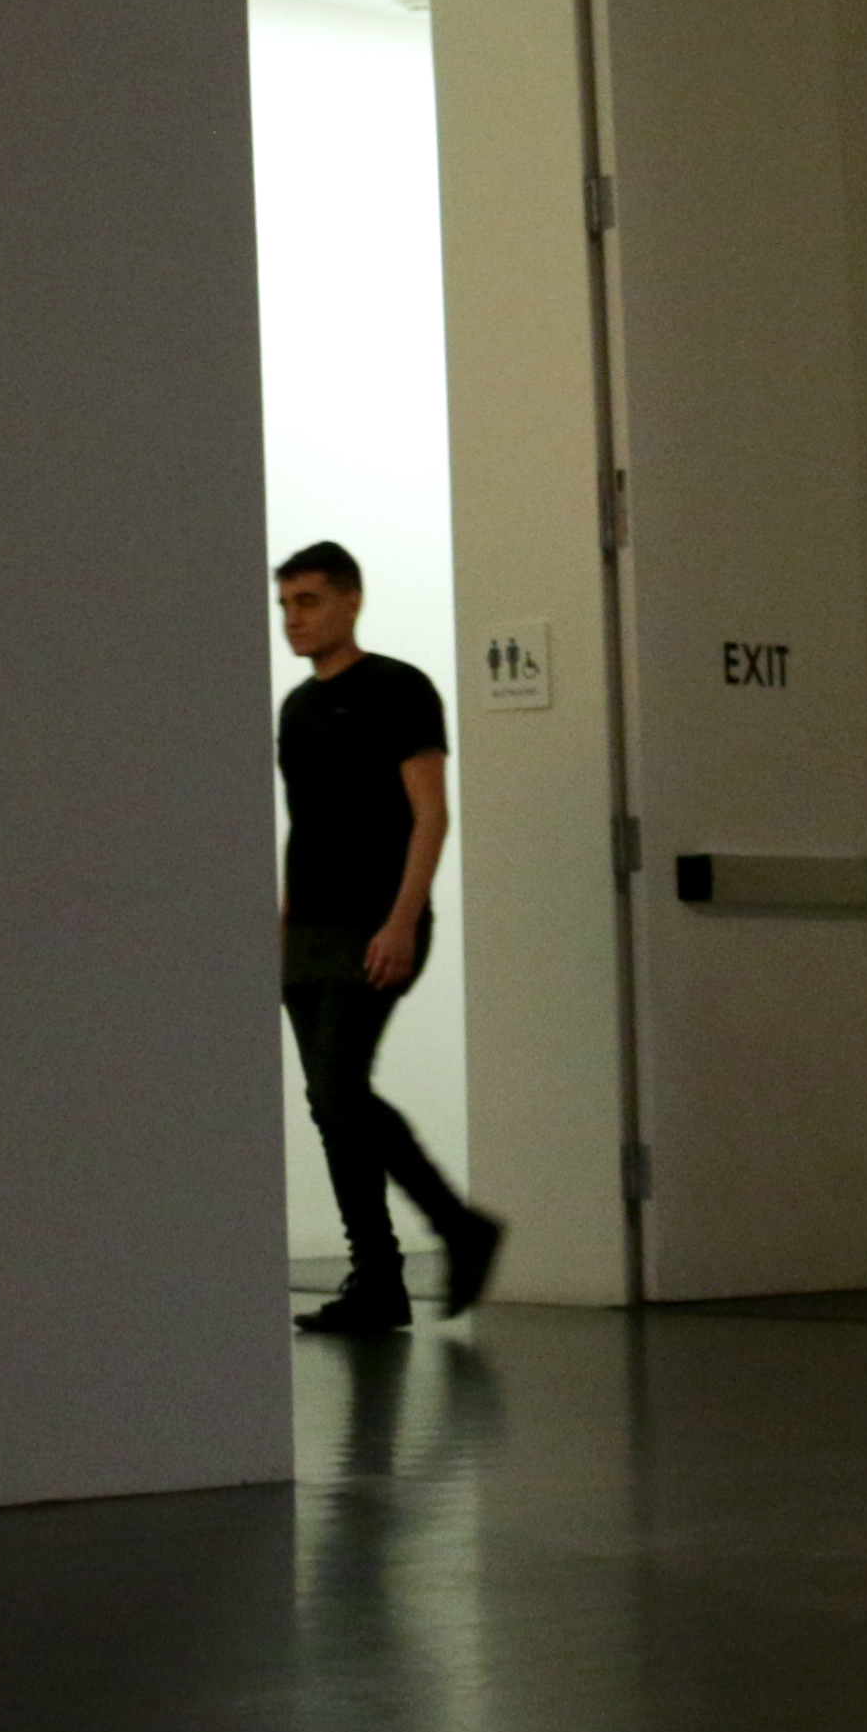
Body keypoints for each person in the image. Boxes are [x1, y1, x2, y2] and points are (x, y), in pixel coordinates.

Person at [272, 540, 502, 1335]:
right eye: (284, 605)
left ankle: (451, 1231)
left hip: (376, 924)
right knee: (331, 1105)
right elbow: (305, 827)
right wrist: (282, 925)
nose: (293, 619)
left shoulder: (398, 688)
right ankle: (379, 1278)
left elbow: (430, 812)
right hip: (308, 931)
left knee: (339, 1094)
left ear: (350, 602)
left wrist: (403, 919)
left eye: (308, 602)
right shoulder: (297, 709)